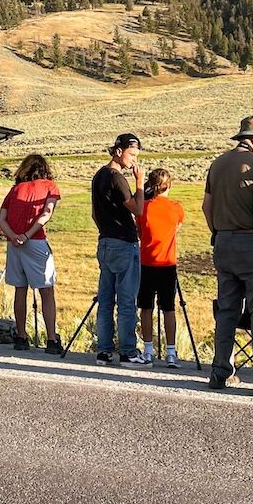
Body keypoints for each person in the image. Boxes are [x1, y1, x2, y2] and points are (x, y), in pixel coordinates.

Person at [204, 115, 253, 398]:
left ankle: (220, 371)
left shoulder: (217, 164)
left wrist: (219, 232)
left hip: (224, 243)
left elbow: (206, 206)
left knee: (227, 310)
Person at [0, 154, 64, 356]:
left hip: (13, 243)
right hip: (35, 241)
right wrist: (27, 235)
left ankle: (21, 336)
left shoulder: (15, 189)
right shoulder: (50, 186)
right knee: (46, 290)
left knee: (20, 289)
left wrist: (14, 236)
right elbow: (46, 213)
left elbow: (1, 218)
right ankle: (51, 339)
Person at [91, 132, 146, 364]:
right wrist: (140, 183)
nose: (134, 160)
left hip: (105, 242)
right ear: (119, 151)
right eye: (132, 155)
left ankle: (103, 350)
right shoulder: (117, 178)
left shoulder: (98, 176)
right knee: (126, 301)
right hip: (123, 243)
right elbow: (137, 209)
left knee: (105, 299)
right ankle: (128, 351)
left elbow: (95, 213)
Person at [135, 167, 186, 366]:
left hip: (146, 262)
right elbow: (177, 227)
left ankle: (148, 349)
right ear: (169, 185)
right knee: (168, 308)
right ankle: (171, 352)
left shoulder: (144, 207)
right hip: (167, 263)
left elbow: (139, 232)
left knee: (146, 307)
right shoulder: (176, 207)